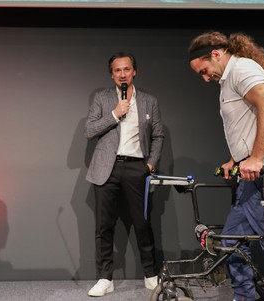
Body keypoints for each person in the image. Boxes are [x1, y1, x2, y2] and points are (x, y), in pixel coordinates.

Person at [187, 31, 264, 301]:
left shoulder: (242, 68)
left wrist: (255, 158)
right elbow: (247, 125)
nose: (206, 78)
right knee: (231, 243)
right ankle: (245, 297)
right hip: (250, 180)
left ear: (216, 54)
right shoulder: (228, 79)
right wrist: (237, 160)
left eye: (205, 71)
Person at [85, 52, 164, 297]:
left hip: (136, 167)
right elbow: (89, 130)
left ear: (134, 72)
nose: (122, 74)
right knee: (103, 226)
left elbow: (158, 135)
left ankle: (150, 275)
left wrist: (150, 164)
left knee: (143, 224)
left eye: (126, 69)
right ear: (112, 74)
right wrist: (114, 114)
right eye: (117, 70)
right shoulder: (102, 98)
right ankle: (104, 278)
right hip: (106, 168)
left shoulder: (149, 101)